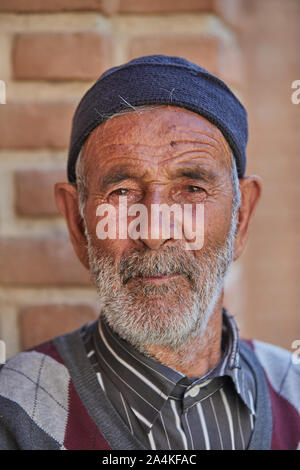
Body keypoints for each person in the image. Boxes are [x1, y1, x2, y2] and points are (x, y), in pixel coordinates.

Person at [0, 55, 299, 450]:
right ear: (77, 223)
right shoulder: (15, 413)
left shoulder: (294, 395)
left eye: (192, 189)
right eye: (121, 192)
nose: (155, 231)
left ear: (240, 218)